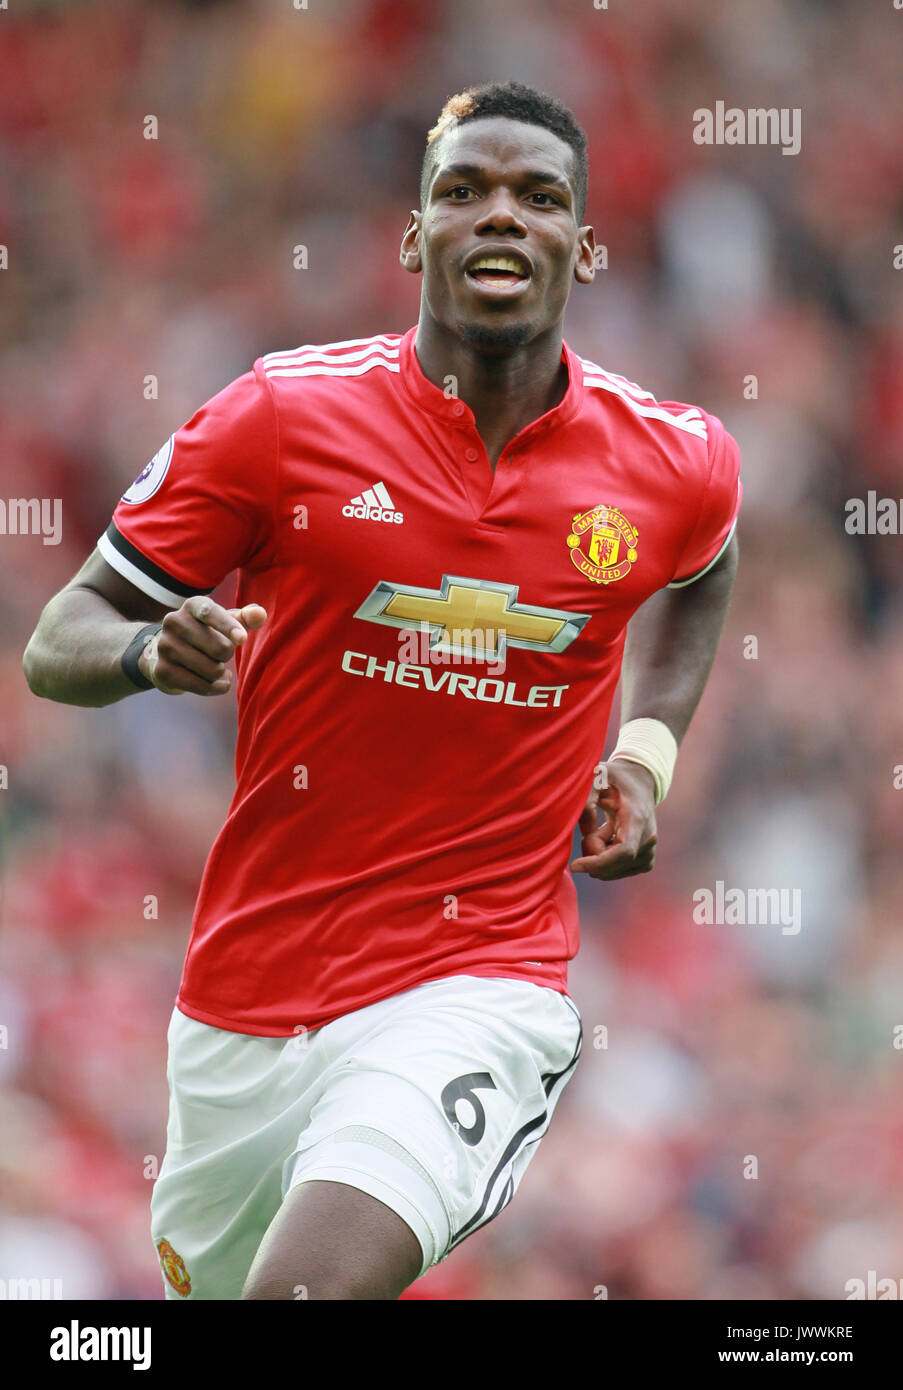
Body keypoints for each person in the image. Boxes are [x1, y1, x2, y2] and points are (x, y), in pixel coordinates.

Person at [22, 80, 740, 1301]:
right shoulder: (279, 420)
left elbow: (703, 571)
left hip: (479, 986)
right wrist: (149, 654)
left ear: (582, 239)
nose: (501, 216)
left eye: (539, 196)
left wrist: (646, 753)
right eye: (464, 192)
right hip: (246, 1002)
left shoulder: (673, 461)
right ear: (415, 236)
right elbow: (59, 635)